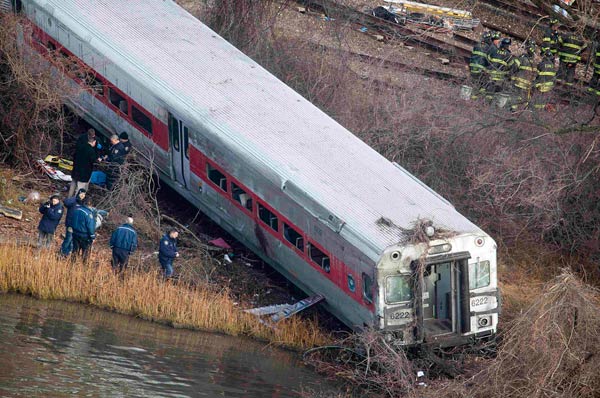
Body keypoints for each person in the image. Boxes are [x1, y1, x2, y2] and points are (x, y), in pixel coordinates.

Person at [508, 41, 538, 110]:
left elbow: (514, 66)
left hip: (518, 82)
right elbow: (534, 75)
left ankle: (513, 109)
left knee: (514, 95)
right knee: (523, 97)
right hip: (527, 85)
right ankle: (523, 110)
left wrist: (511, 76)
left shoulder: (522, 58)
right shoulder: (534, 62)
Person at [61, 188, 87, 257]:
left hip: (77, 226)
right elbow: (66, 202)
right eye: (81, 194)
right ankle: (62, 252)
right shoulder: (74, 200)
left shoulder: (83, 203)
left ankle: (68, 253)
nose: (82, 195)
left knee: (73, 240)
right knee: (68, 239)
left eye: (84, 194)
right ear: (79, 193)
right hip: (70, 224)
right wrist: (75, 198)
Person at [70, 196, 96, 263]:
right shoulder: (88, 213)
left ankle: (72, 264)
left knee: (75, 250)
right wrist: (92, 236)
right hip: (84, 235)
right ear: (90, 204)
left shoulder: (76, 210)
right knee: (85, 252)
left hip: (75, 233)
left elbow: (71, 220)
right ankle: (84, 267)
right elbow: (90, 226)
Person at [468, 31, 492, 100]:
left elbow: (472, 56)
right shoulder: (489, 48)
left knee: (472, 83)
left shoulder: (477, 45)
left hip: (473, 67)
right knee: (481, 84)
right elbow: (488, 61)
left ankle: (466, 96)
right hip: (481, 69)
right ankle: (474, 99)